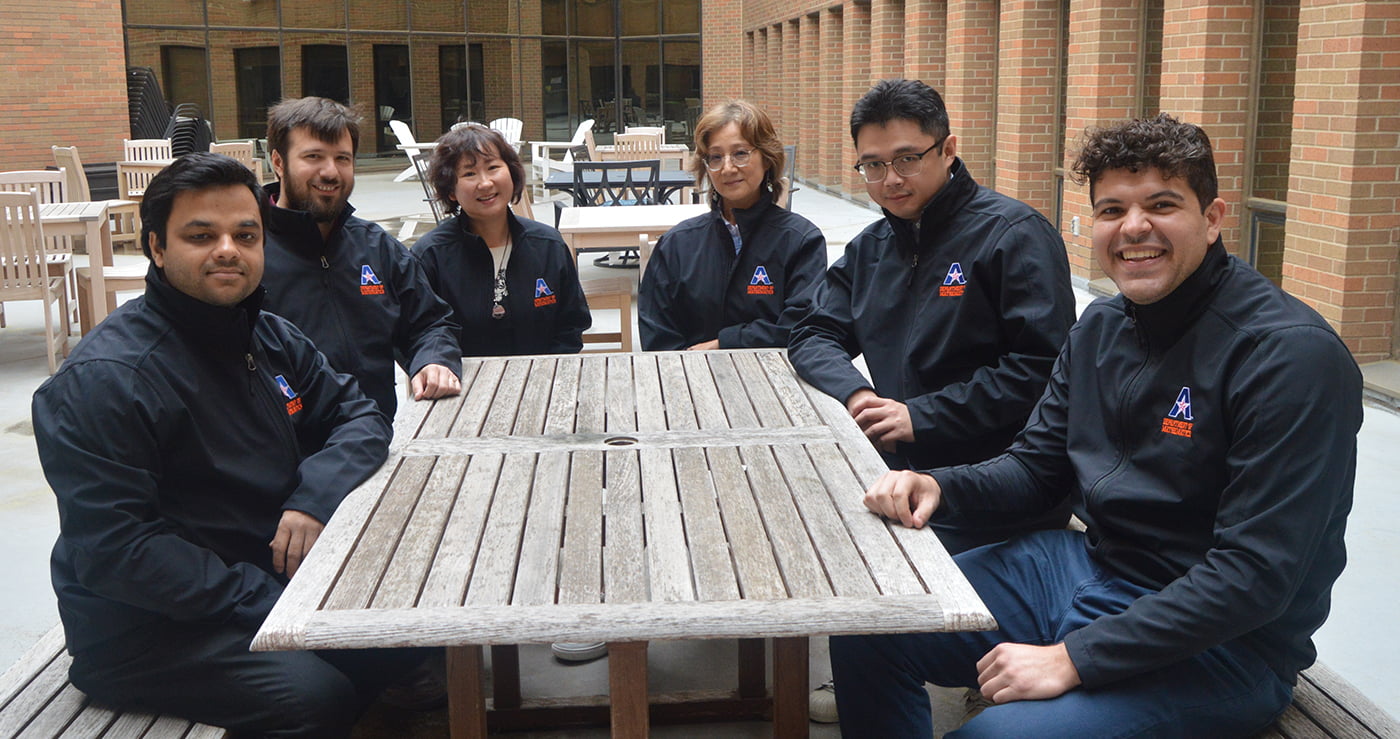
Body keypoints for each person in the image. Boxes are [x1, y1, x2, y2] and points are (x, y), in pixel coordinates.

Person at [830, 113, 1362, 738]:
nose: (1134, 228)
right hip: (1084, 566)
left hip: (1223, 644)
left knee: (995, 736)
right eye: (1112, 210)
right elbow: (1035, 467)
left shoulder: (1287, 356)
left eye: (1161, 205)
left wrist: (1074, 658)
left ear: (1213, 218)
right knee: (872, 620)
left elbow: (1254, 576)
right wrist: (941, 486)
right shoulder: (1103, 327)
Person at [32, 153, 423, 735]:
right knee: (315, 698)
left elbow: (358, 413)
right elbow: (120, 551)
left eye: (245, 234)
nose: (227, 250)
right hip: (148, 629)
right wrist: (274, 603)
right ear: (157, 248)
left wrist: (315, 496)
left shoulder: (263, 332)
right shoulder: (108, 380)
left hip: (255, 576)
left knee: (405, 637)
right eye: (201, 235)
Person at [788, 79, 1076, 554]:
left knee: (853, 577)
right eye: (873, 165)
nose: (890, 180)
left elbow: (1043, 370)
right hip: (897, 474)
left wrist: (920, 417)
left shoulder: (1014, 236)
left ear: (947, 150)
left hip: (996, 491)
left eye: (906, 159)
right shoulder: (873, 248)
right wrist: (857, 393)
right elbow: (813, 331)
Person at [261, 96, 462, 419]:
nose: (330, 172)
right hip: (288, 451)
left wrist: (433, 359)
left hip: (377, 435)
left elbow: (429, 322)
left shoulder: (377, 247)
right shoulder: (247, 255)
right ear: (279, 162)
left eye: (342, 158)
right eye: (313, 156)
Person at [638, 99, 827, 351]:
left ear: (767, 158)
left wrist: (723, 344)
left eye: (740, 153)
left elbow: (803, 326)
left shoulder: (801, 241)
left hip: (775, 380)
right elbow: (657, 334)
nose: (727, 168)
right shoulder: (677, 244)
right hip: (691, 379)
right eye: (715, 157)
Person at [411, 122, 591, 356]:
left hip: (545, 380)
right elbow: (418, 334)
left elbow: (571, 326)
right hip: (461, 385)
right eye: (469, 173)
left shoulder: (548, 245)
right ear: (451, 191)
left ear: (512, 173)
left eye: (493, 167)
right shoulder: (430, 256)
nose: (485, 183)